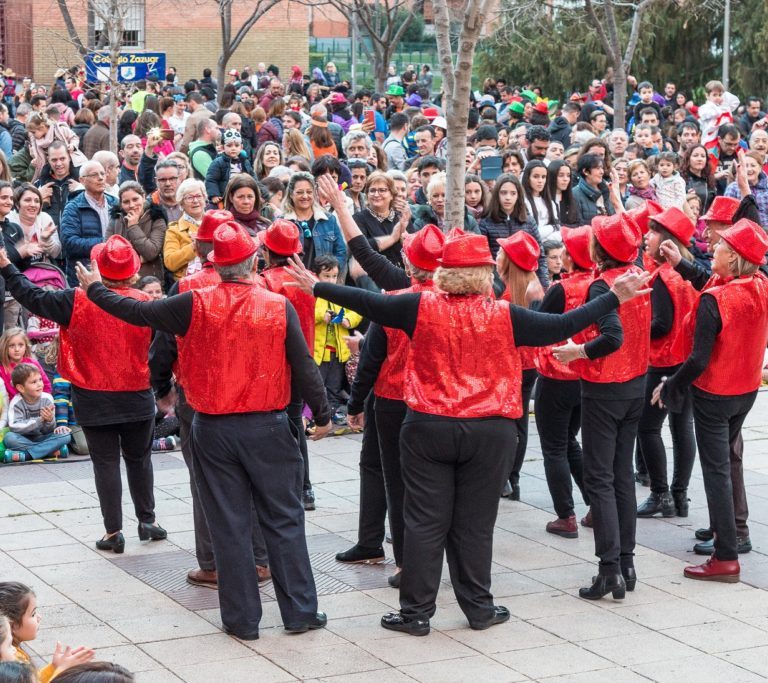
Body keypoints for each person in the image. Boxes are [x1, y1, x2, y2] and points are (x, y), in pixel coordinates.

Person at [286, 177, 651, 634]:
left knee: (422, 520)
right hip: (490, 430)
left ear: (443, 273)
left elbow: (367, 300)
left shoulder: (419, 307)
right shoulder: (505, 314)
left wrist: (314, 288)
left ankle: (416, 612)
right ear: (484, 274)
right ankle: (479, 608)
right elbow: (563, 326)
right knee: (476, 524)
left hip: (428, 427)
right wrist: (614, 298)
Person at [78, 221, 332, 640]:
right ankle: (301, 611)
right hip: (266, 425)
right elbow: (303, 365)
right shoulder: (275, 304)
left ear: (214, 264)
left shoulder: (191, 301)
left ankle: (240, 618)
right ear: (254, 262)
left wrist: (94, 289)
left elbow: (137, 312)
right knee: (284, 519)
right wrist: (321, 414)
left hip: (213, 428)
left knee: (228, 522)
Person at [0, 236, 166, 554]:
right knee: (139, 460)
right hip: (137, 394)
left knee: (104, 462)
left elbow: (31, 296)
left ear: (97, 269)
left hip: (93, 395)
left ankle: (113, 531)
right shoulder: (147, 304)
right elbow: (159, 349)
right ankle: (148, 520)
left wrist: (8, 268)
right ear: (133, 270)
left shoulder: (74, 300)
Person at [655, 219, 768, 582]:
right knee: (726, 466)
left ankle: (726, 557)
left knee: (716, 472)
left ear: (733, 259)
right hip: (746, 390)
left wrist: (671, 384)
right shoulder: (760, 284)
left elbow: (698, 360)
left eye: (719, 247)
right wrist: (682, 263)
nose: (712, 248)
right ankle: (732, 536)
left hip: (714, 392)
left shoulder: (713, 300)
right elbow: (711, 279)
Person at [553, 212, 651, 601]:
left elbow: (611, 336)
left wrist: (579, 350)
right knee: (621, 475)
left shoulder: (603, 286)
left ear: (600, 249)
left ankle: (609, 568)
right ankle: (625, 563)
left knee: (601, 478)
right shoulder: (638, 275)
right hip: (634, 386)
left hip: (606, 387)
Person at [345, 224, 445, 588]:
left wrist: (354, 403)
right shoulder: (459, 299)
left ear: (407, 260)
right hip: (438, 403)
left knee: (398, 482)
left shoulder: (396, 300)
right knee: (430, 485)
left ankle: (406, 563)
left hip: (392, 401)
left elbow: (371, 358)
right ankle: (416, 556)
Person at [635, 208, 697, 519]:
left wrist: (634, 331)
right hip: (685, 362)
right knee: (682, 428)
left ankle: (660, 494)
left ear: (667, 240)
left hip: (663, 363)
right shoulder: (688, 272)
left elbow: (661, 324)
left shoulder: (663, 277)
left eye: (653, 232)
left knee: (647, 428)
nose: (647, 237)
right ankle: (680, 496)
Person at [535, 226, 594, 537]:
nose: (562, 257)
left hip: (557, 374)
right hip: (586, 377)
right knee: (570, 441)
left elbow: (541, 326)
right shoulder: (599, 284)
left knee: (554, 446)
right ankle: (594, 505)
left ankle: (565, 516)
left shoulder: (562, 289)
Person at [496, 231, 542, 501]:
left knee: (507, 422)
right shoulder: (534, 287)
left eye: (501, 253)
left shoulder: (508, 296)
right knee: (520, 421)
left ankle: (504, 478)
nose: (496, 256)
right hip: (529, 365)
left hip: (511, 365)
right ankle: (513, 478)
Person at [0, 581, 94, 683]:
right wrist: (61, 670)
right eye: (33, 614)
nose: (39, 617)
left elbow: (34, 679)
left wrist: (54, 667)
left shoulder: (12, 654)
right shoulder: (11, 661)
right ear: (13, 625)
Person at [478, 173, 547, 283]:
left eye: (513, 193)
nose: (508, 197)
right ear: (497, 194)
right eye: (503, 193)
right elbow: (484, 258)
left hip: (525, 281)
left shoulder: (529, 222)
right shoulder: (486, 222)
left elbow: (540, 257)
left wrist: (544, 286)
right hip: (497, 282)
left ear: (518, 196)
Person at [60, 160, 117, 286]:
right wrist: (105, 244)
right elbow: (69, 243)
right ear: (82, 180)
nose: (101, 178)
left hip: (115, 272)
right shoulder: (73, 208)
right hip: (87, 275)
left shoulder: (115, 203)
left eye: (102, 174)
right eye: (94, 175)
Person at [4, 362, 71, 462]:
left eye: (40, 379)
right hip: (24, 438)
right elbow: (15, 426)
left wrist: (49, 420)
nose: (39, 384)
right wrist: (39, 421)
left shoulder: (47, 398)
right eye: (34, 382)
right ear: (21, 388)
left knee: (65, 435)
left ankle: (27, 455)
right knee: (9, 438)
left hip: (44, 437)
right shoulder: (16, 402)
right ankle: (51, 452)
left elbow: (49, 429)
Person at [282, 172, 346, 270]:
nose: (305, 196)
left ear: (314, 193)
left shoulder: (328, 220)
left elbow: (340, 251)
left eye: (309, 192)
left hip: (322, 282)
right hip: (292, 280)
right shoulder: (282, 222)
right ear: (291, 194)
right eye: (299, 192)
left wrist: (330, 273)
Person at [106, 182, 167, 282]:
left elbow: (151, 252)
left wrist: (133, 226)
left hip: (149, 281)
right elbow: (108, 251)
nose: (132, 205)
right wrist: (139, 258)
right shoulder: (115, 220)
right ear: (121, 204)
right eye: (126, 202)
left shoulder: (157, 219)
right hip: (121, 281)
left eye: (135, 199)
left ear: (143, 197)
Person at [163, 179, 207, 280]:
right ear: (181, 204)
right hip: (187, 284)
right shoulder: (174, 230)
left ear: (205, 198)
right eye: (189, 197)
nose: (195, 201)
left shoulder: (216, 223)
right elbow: (170, 262)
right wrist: (194, 246)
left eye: (198, 196)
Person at [0, 327, 51, 399]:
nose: (17, 349)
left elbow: (46, 385)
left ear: (26, 346)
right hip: (13, 407)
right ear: (4, 347)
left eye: (21, 345)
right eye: (11, 346)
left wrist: (45, 402)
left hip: (37, 404)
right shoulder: (2, 370)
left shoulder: (33, 363)